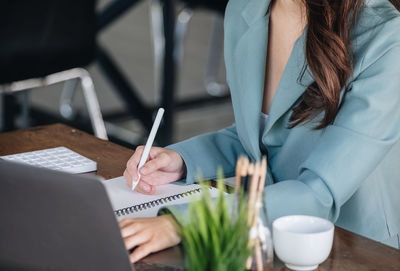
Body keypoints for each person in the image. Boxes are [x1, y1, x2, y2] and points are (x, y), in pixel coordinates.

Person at [120, 0, 400, 263]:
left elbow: (319, 194)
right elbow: (263, 138)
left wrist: (181, 223)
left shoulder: (386, 39)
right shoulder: (247, 8)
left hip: (353, 248)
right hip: (259, 232)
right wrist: (182, 160)